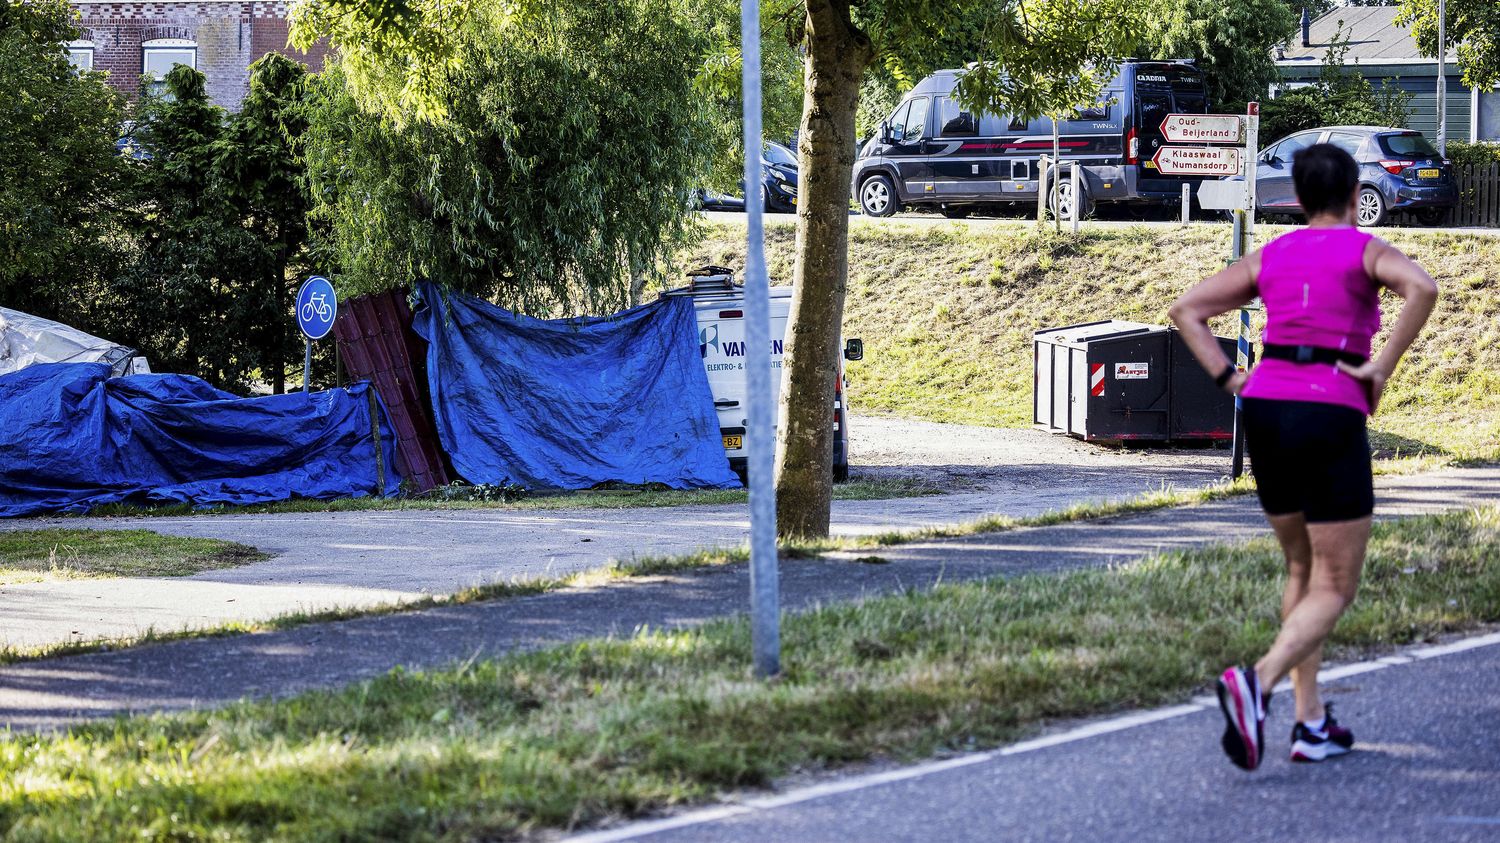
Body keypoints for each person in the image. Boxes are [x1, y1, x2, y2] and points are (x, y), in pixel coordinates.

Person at [1168, 143, 1438, 771]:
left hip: (1264, 407)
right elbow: (1421, 288)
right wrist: (1379, 367)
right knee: (1336, 584)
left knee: (1300, 567)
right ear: (1352, 196)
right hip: (1328, 408)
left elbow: (1188, 310)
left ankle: (1309, 721)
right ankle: (1256, 685)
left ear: (1298, 197)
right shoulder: (1363, 247)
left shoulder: (1275, 253)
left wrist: (1231, 382)